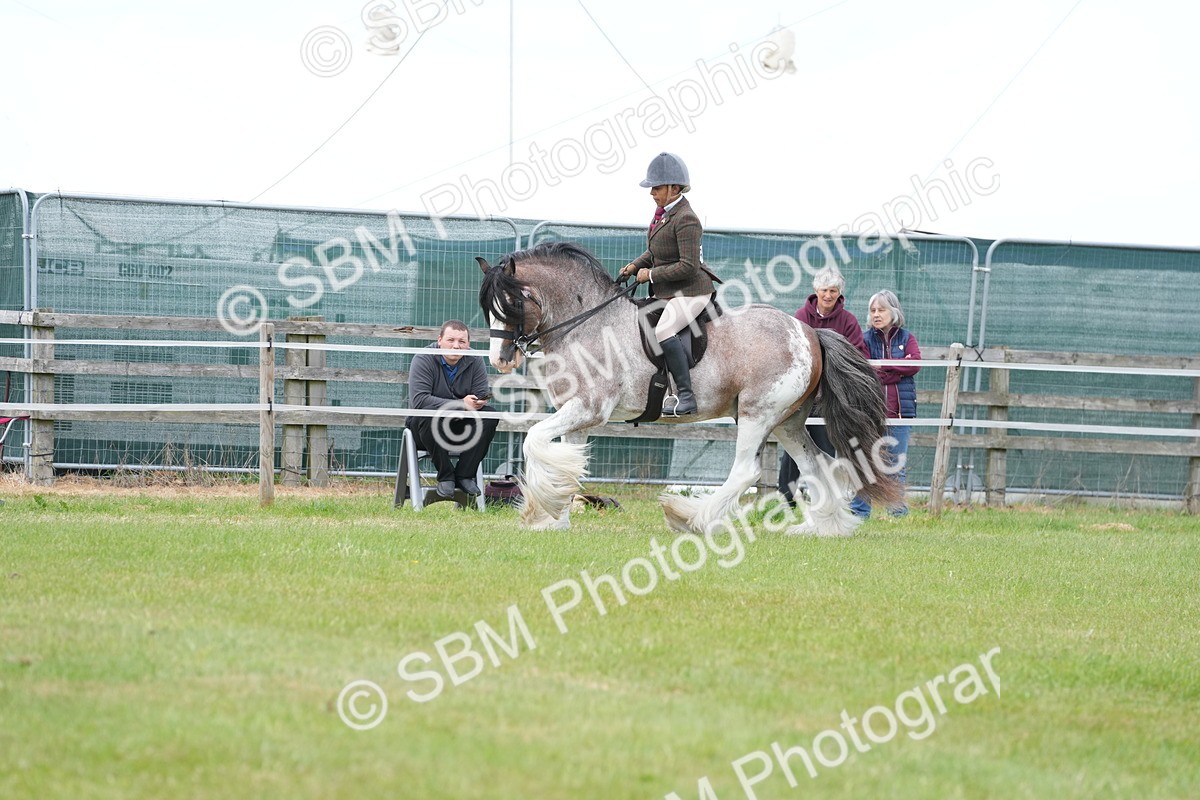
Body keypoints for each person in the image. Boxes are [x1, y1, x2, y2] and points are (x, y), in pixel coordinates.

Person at [617, 152, 717, 416]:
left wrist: (649, 275)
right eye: (652, 188)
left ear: (675, 188)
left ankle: (686, 396)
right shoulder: (663, 213)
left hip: (692, 291)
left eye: (657, 188)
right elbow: (656, 251)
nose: (652, 193)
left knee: (664, 331)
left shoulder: (687, 218)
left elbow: (688, 266)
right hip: (670, 290)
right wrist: (635, 266)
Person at [778, 266, 871, 505]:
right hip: (801, 395)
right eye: (824, 290)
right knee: (793, 443)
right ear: (815, 291)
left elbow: (857, 354)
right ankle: (785, 498)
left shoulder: (848, 321)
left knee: (824, 445)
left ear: (839, 293)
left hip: (828, 397)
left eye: (833, 291)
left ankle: (824, 497)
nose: (828, 295)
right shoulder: (801, 316)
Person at [406, 320, 498, 499]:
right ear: (439, 340)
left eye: (462, 342)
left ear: (468, 344)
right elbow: (420, 401)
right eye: (451, 340)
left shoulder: (475, 359)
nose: (456, 346)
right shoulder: (422, 359)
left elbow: (479, 393)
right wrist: (460, 404)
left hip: (459, 426)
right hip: (424, 429)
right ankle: (445, 476)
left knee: (490, 415)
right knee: (427, 416)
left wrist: (479, 401)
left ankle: (464, 475)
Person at [850, 290, 921, 518]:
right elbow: (868, 373)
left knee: (895, 466)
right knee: (865, 463)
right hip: (870, 414)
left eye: (881, 310)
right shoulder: (865, 339)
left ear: (894, 311)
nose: (876, 315)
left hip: (901, 414)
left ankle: (897, 513)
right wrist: (899, 369)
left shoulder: (907, 338)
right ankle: (860, 512)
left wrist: (885, 368)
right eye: (873, 311)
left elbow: (915, 364)